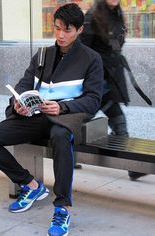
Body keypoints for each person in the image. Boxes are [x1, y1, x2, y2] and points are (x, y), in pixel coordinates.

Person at [0, 3, 103, 236]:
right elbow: (25, 84)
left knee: (61, 137)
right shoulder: (43, 54)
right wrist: (18, 103)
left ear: (79, 30)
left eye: (67, 30)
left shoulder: (91, 59)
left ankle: (62, 207)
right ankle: (31, 185)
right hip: (36, 117)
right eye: (56, 29)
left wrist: (62, 106)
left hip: (65, 120)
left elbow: (94, 100)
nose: (61, 35)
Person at [80, 0, 147, 181]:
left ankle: (132, 166)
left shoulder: (116, 13)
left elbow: (116, 44)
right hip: (98, 80)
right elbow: (83, 49)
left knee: (116, 121)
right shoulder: (92, 15)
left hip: (111, 77)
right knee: (84, 118)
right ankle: (62, 146)